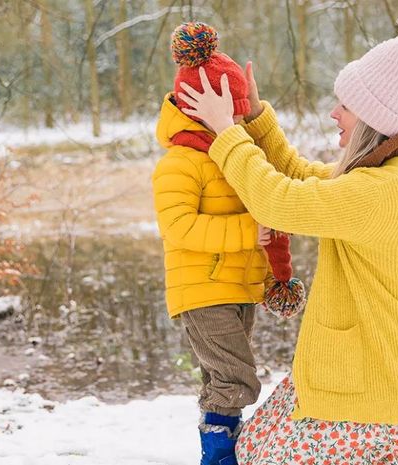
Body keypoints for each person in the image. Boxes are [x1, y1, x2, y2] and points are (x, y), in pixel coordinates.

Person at [178, 35, 398, 464]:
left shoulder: (380, 191)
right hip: (360, 378)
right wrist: (255, 118)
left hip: (366, 393)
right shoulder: (385, 176)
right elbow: (298, 176)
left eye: (345, 106)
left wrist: (225, 131)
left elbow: (278, 201)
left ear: (372, 118)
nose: (334, 113)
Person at [151, 22, 272, 465]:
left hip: (238, 285)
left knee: (221, 377)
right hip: (202, 289)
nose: (237, 124)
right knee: (236, 376)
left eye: (241, 115)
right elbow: (178, 227)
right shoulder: (180, 164)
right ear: (200, 110)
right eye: (231, 115)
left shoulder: (231, 152)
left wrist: (256, 114)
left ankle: (224, 448)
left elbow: (276, 173)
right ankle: (220, 456)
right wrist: (248, 232)